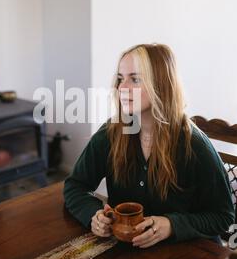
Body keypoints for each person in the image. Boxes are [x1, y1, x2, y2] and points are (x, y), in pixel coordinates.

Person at [63, 44, 234, 247]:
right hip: (127, 254)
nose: (121, 88)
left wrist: (172, 225)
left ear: (161, 84)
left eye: (135, 79)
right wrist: (94, 215)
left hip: (189, 257)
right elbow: (75, 186)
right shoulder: (112, 132)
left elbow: (223, 217)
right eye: (120, 78)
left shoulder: (195, 145)